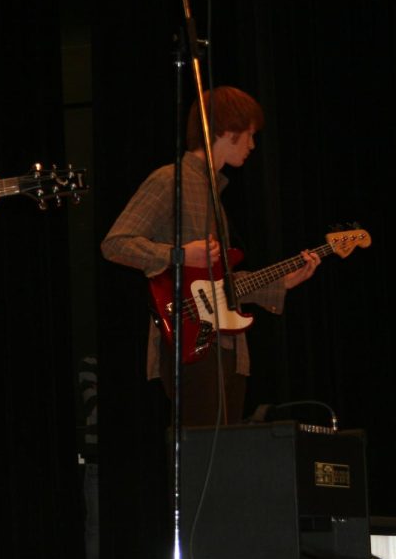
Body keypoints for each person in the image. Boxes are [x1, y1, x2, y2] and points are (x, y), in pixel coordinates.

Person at [101, 86, 320, 427]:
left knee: (225, 461)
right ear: (225, 132)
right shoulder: (170, 180)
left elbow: (218, 284)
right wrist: (177, 254)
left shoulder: (214, 191)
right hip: (190, 341)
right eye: (248, 135)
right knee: (202, 458)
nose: (252, 145)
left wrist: (280, 282)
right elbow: (115, 243)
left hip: (228, 346)